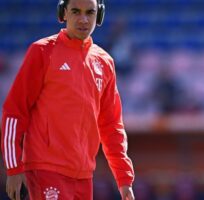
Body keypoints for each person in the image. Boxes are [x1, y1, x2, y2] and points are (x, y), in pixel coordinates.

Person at [1, 0, 135, 199]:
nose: (83, 19)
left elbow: (111, 125)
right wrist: (13, 168)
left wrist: (124, 179)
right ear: (63, 13)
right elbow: (14, 111)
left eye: (90, 12)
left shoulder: (105, 63)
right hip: (45, 170)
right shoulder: (42, 52)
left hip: (84, 176)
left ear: (99, 16)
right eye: (76, 11)